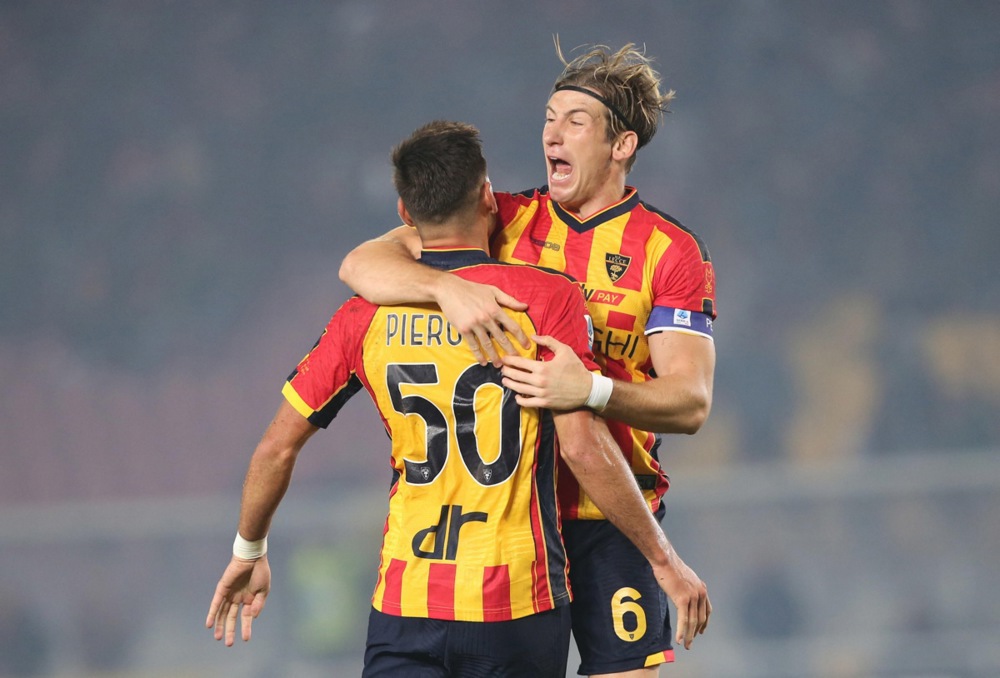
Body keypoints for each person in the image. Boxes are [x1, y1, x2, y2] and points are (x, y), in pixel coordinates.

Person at [207, 120, 707, 676]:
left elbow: (275, 450)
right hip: (516, 595)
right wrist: (664, 559)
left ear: (404, 214)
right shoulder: (544, 299)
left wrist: (248, 550)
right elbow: (582, 451)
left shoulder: (362, 317)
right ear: (489, 197)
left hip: (406, 599)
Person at [339, 42, 716, 677]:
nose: (552, 134)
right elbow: (360, 264)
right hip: (513, 527)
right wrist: (444, 287)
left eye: (574, 121)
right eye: (548, 117)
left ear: (621, 145)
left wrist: (589, 390)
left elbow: (690, 402)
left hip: (612, 520)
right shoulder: (504, 220)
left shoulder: (669, 252)